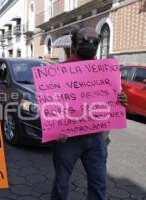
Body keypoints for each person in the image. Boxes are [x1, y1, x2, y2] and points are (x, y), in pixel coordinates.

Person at [51, 27, 127, 200]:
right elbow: (50, 106)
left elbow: (113, 102)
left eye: (95, 41)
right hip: (67, 140)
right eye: (84, 40)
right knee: (61, 183)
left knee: (99, 183)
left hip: (97, 138)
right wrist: (54, 131)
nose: (90, 44)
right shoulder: (57, 72)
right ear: (73, 44)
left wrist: (121, 99)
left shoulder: (106, 72)